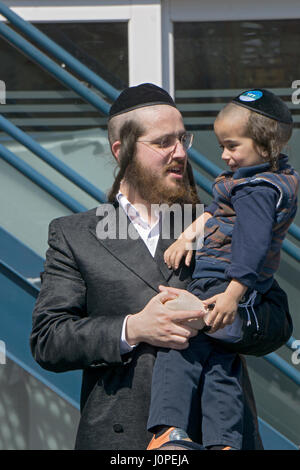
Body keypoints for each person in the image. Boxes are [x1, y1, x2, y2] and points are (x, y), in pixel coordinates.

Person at [30, 83, 291, 450]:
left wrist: (216, 319)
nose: (180, 153)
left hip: (220, 436)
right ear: (121, 151)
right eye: (163, 142)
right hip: (122, 442)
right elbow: (49, 341)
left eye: (183, 139)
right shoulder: (74, 234)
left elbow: (277, 322)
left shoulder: (220, 219)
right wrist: (134, 328)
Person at [146, 89, 299, 450]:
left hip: (222, 277)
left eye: (232, 146)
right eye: (222, 146)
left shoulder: (257, 191)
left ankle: (169, 428)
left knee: (179, 343)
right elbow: (215, 213)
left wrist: (232, 294)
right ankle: (224, 441)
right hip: (222, 276)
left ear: (266, 145)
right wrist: (186, 238)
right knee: (219, 362)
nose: (225, 156)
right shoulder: (257, 179)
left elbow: (252, 246)